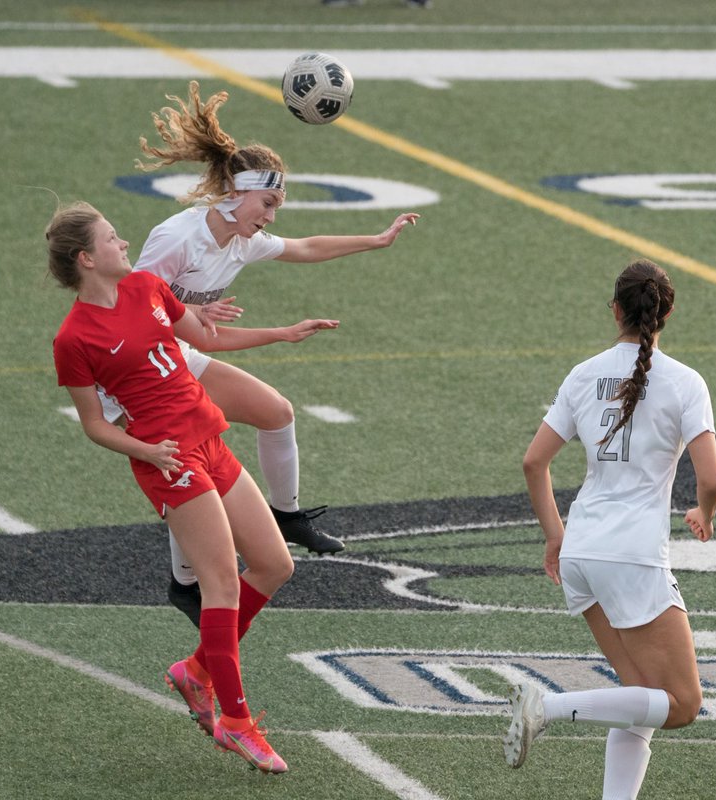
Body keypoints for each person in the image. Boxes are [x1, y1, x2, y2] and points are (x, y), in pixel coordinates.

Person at [49, 200, 340, 773]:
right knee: (221, 582)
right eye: (112, 238)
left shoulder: (147, 288)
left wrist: (283, 334)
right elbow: (94, 425)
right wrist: (146, 452)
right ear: (86, 259)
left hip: (208, 437)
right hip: (168, 458)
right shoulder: (73, 339)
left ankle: (196, 671)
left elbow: (207, 338)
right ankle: (236, 722)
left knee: (274, 564)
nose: (123, 243)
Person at [128, 80, 420, 624]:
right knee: (192, 472)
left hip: (176, 356)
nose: (272, 216)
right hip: (140, 372)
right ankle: (184, 582)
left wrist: (376, 240)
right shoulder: (178, 238)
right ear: (235, 192)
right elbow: (130, 310)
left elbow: (305, 247)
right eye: (268, 203)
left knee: (276, 412)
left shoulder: (240, 240)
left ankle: (286, 516)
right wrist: (190, 315)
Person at [505, 259, 716, 800]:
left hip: (582, 551)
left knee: (641, 695)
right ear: (666, 313)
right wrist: (705, 514)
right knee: (683, 704)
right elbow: (711, 479)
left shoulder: (584, 374)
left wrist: (556, 535)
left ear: (616, 310)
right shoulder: (685, 382)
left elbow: (534, 462)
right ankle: (546, 706)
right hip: (633, 557)